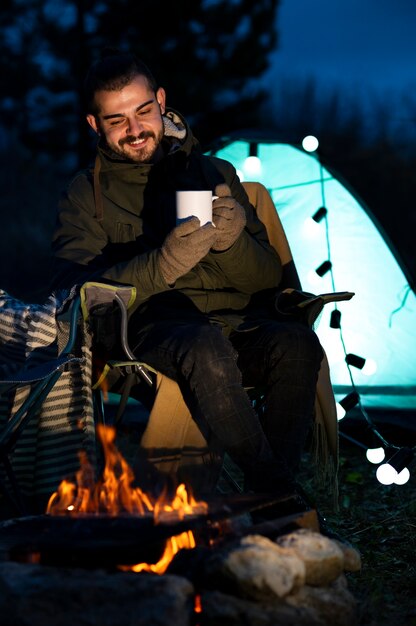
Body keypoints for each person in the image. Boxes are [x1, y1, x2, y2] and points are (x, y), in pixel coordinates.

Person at [50, 49, 323, 509]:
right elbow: (76, 296)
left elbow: (265, 282)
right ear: (95, 125)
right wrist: (161, 266)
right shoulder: (84, 195)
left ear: (160, 101)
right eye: (117, 121)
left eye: (142, 112)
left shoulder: (216, 173)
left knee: (297, 344)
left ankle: (268, 493)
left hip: (233, 324)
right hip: (149, 334)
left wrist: (233, 243)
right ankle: (279, 499)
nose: (135, 130)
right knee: (203, 345)